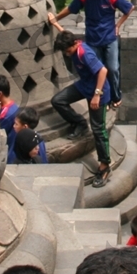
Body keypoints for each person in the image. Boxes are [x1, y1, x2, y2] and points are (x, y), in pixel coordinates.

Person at [52, 0, 132, 107]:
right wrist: (56, 18)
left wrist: (118, 25)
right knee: (96, 70)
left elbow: (129, 8)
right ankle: (104, 100)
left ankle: (115, 96)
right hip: (92, 38)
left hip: (109, 37)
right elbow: (71, 9)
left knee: (112, 68)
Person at [51, 29, 112, 186]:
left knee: (99, 129)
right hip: (84, 86)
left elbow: (103, 71)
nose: (67, 53)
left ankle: (104, 166)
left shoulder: (84, 53)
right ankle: (79, 122)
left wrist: (97, 95)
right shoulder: (73, 45)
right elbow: (65, 33)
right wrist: (55, 23)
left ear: (74, 44)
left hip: (98, 92)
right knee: (58, 100)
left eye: (67, 50)